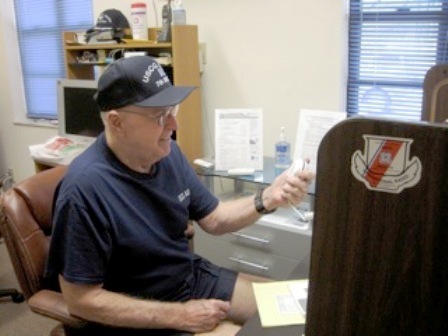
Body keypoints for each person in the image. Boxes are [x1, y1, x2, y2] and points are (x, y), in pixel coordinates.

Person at [45, 56, 314, 336]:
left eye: (173, 110)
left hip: (188, 279)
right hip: (138, 314)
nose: (173, 124)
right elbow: (81, 301)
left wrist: (269, 197)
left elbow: (215, 219)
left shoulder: (166, 154)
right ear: (117, 122)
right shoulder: (84, 191)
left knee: (302, 312)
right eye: (160, 116)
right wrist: (180, 316)